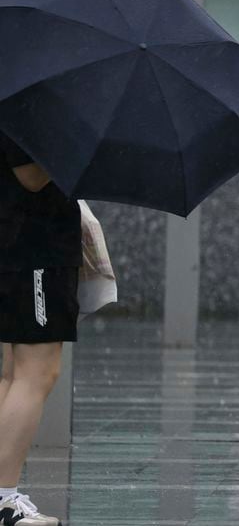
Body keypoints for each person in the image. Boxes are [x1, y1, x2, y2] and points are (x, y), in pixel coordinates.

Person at [0, 131, 81, 526]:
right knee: (37, 371)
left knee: (15, 374)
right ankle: (2, 499)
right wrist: (79, 143)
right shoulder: (29, 99)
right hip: (32, 246)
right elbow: (30, 174)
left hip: (25, 242)